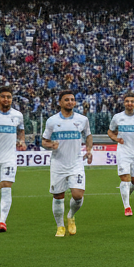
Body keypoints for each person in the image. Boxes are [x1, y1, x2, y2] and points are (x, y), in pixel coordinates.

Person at [41, 91, 92, 237]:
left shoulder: (82, 120)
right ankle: (60, 226)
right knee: (58, 196)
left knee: (77, 195)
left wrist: (89, 150)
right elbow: (44, 141)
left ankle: (70, 215)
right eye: (67, 100)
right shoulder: (52, 121)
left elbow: (88, 135)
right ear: (60, 102)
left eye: (72, 100)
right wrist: (50, 145)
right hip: (58, 164)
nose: (70, 102)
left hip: (76, 163)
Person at [0, 86, 26, 233]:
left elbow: (21, 130)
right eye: (3, 96)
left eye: (9, 97)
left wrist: (22, 141)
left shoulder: (18, 115)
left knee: (6, 185)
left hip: (9, 157)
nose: (6, 99)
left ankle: (3, 222)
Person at [107, 93, 134, 217]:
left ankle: (125, 194)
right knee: (125, 179)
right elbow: (110, 131)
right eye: (127, 101)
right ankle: (127, 207)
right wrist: (116, 138)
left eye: (132, 101)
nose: (129, 103)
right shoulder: (117, 117)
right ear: (124, 103)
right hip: (123, 152)